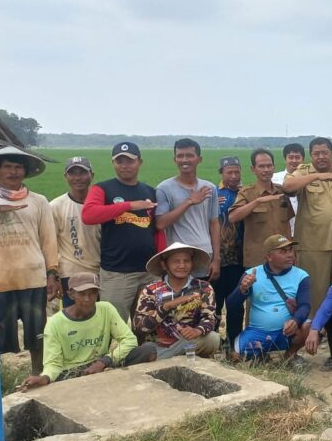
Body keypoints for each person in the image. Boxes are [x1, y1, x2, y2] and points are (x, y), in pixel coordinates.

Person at [0, 146, 60, 375]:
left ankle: (37, 374)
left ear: (25, 171)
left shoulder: (39, 201)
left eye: (18, 167)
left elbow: (49, 238)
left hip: (33, 277)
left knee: (37, 334)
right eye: (8, 167)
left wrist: (52, 272)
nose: (13, 172)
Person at [19, 272, 156, 390]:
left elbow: (129, 340)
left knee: (148, 350)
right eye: (82, 294)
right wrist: (45, 377)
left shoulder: (106, 309)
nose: (87, 299)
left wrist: (104, 361)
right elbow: (53, 364)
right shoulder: (55, 323)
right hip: (70, 372)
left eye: (92, 294)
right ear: (71, 294)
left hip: (101, 363)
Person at [82, 141, 164, 321]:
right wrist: (128, 206)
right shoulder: (102, 189)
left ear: (140, 162)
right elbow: (88, 215)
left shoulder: (149, 191)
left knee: (148, 324)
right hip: (117, 273)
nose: (125, 166)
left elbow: (157, 228)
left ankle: (143, 350)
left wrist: (161, 261)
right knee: (113, 325)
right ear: (113, 163)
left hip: (148, 271)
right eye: (120, 161)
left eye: (130, 161)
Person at [282, 137, 332, 312]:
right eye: (316, 153)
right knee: (315, 290)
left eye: (325, 152)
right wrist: (316, 176)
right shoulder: (303, 171)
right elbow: (287, 186)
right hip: (313, 243)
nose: (321, 157)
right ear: (310, 155)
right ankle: (314, 328)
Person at [228, 149, 294, 346]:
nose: (266, 170)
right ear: (253, 169)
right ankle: (255, 347)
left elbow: (287, 223)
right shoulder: (247, 193)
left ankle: (284, 343)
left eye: (269, 166)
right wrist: (257, 201)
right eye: (261, 166)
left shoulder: (282, 192)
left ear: (274, 167)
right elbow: (233, 217)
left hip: (283, 257)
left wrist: (292, 252)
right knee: (256, 303)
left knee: (286, 300)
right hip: (257, 259)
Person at [226, 234, 312, 361]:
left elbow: (305, 305)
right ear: (269, 257)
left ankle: (290, 354)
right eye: (283, 252)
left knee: (307, 326)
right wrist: (242, 289)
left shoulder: (301, 275)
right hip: (257, 331)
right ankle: (262, 354)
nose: (290, 255)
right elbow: (231, 305)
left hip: (286, 332)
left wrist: (295, 320)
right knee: (236, 357)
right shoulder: (251, 274)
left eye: (290, 250)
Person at [134, 243, 221, 359]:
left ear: (192, 264)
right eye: (176, 261)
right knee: (145, 350)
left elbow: (209, 318)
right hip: (158, 345)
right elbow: (140, 327)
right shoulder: (150, 290)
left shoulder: (204, 288)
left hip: (190, 342)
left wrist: (197, 331)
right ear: (164, 265)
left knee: (213, 339)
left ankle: (163, 358)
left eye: (186, 261)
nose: (182, 265)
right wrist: (167, 306)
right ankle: (174, 357)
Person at [155, 138, 221, 280]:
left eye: (190, 155)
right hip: (177, 258)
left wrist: (216, 258)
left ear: (199, 159)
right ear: (175, 159)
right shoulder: (164, 188)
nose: (185, 160)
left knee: (204, 300)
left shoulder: (209, 188)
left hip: (204, 255)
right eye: (180, 156)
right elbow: (161, 223)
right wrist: (189, 202)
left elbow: (214, 223)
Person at [50, 156, 101, 307]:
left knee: (99, 317)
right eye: (73, 173)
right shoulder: (56, 206)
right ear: (65, 176)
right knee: (74, 317)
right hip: (71, 273)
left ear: (92, 175)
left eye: (83, 173)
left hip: (101, 272)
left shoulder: (102, 204)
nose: (78, 178)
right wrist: (53, 276)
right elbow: (49, 244)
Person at [212, 156, 245, 330]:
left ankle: (233, 341)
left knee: (236, 303)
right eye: (229, 172)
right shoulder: (213, 194)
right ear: (222, 173)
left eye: (236, 172)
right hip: (217, 257)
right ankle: (213, 339)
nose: (233, 176)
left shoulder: (246, 193)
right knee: (214, 302)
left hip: (239, 259)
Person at [271, 143, 304, 236]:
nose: (294, 161)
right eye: (290, 157)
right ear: (285, 159)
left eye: (297, 157)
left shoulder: (309, 179)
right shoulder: (273, 179)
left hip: (304, 230)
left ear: (303, 159)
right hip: (281, 230)